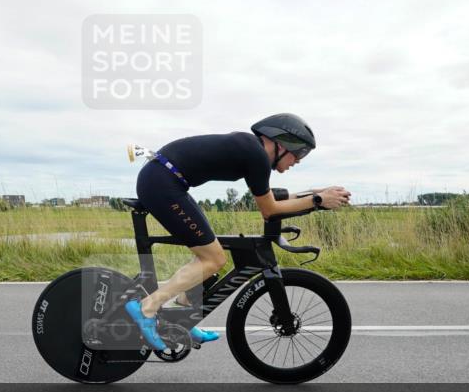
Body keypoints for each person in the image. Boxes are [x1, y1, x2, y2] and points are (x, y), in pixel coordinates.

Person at [124, 113, 351, 350]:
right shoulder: (256, 155)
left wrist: (316, 193)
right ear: (282, 144)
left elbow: (272, 199)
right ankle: (146, 308)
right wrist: (317, 201)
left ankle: (180, 316)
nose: (299, 161)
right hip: (162, 183)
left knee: (208, 253)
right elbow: (269, 210)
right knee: (213, 259)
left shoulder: (253, 152)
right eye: (300, 153)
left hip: (166, 180)